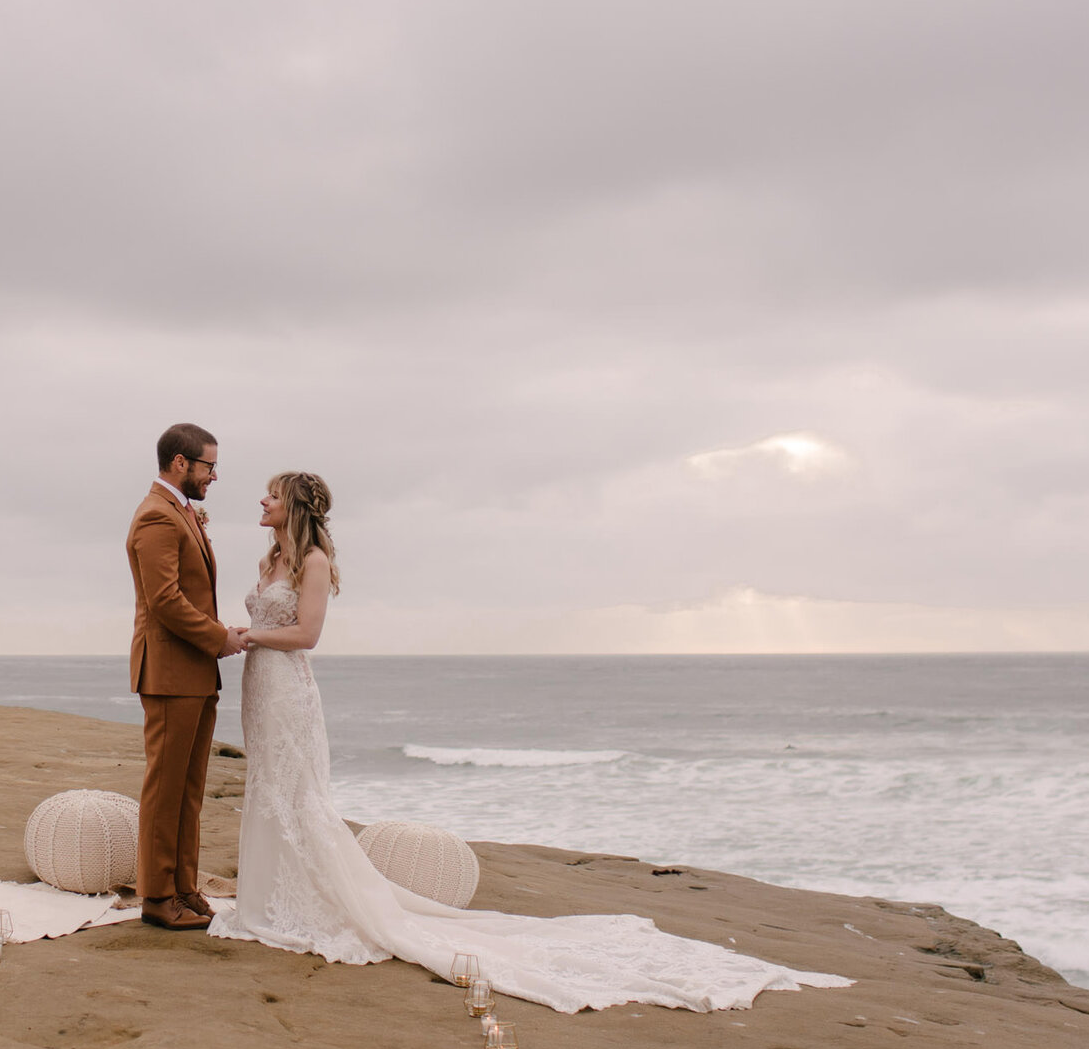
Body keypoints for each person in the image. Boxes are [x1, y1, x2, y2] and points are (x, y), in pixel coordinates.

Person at [209, 470, 850, 1012]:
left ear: (291, 506)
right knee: (269, 786)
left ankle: (305, 902)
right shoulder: (271, 561)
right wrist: (250, 641)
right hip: (260, 687)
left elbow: (310, 636)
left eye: (269, 496)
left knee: (297, 794)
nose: (260, 504)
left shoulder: (314, 562)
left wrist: (249, 635)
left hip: (287, 685)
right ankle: (272, 895)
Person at [123, 423, 247, 930]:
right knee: (165, 788)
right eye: (208, 466)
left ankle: (184, 886)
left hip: (194, 673)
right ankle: (156, 898)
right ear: (180, 463)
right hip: (171, 672)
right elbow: (165, 601)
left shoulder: (181, 512)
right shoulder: (156, 516)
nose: (214, 476)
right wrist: (219, 638)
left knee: (190, 788)